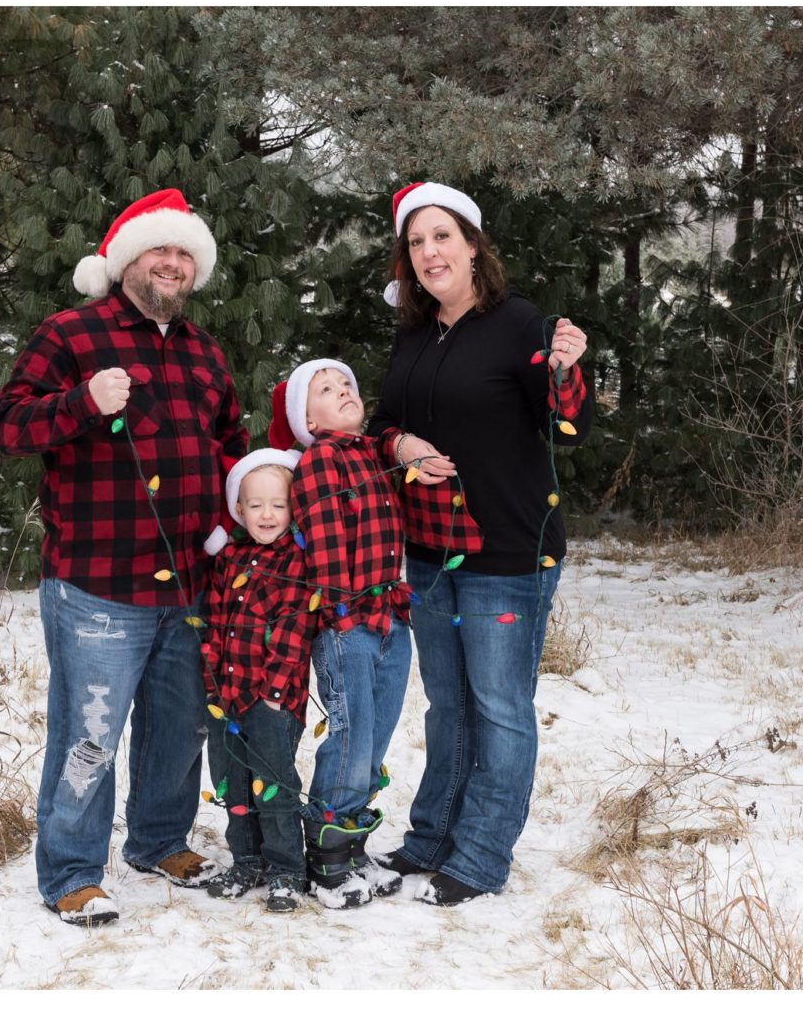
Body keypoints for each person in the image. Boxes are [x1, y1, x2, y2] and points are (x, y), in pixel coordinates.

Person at [0, 188, 248, 926]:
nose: (172, 263)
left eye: (184, 254)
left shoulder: (203, 351)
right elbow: (8, 430)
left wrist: (239, 519)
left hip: (191, 583)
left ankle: (159, 841)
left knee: (179, 729)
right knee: (90, 735)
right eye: (158, 249)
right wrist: (79, 401)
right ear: (125, 260)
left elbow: (229, 444)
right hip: (98, 586)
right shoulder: (71, 334)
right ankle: (71, 871)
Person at [368, 181, 593, 906]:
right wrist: (399, 443)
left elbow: (568, 428)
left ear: (472, 245)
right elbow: (382, 424)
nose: (429, 252)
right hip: (430, 552)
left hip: (508, 553)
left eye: (442, 237)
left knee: (498, 705)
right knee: (446, 705)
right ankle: (432, 836)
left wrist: (567, 368)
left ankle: (483, 852)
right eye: (416, 242)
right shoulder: (412, 333)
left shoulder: (523, 324)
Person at [269, 359, 412, 910]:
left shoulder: (371, 454)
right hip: (347, 623)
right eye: (325, 390)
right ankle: (327, 854)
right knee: (352, 734)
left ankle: (354, 844)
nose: (342, 391)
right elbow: (326, 544)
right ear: (306, 418)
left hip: (390, 616)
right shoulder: (321, 459)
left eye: (347, 383)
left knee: (376, 734)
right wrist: (340, 612)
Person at [201, 448, 316, 913]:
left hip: (272, 701)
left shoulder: (295, 561)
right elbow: (213, 620)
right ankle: (247, 859)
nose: (267, 514)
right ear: (238, 508)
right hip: (225, 696)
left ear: (293, 508)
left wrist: (272, 694)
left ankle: (287, 869)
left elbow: (292, 630)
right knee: (232, 781)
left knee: (273, 785)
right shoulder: (228, 558)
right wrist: (211, 681)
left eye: (278, 504)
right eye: (255, 505)